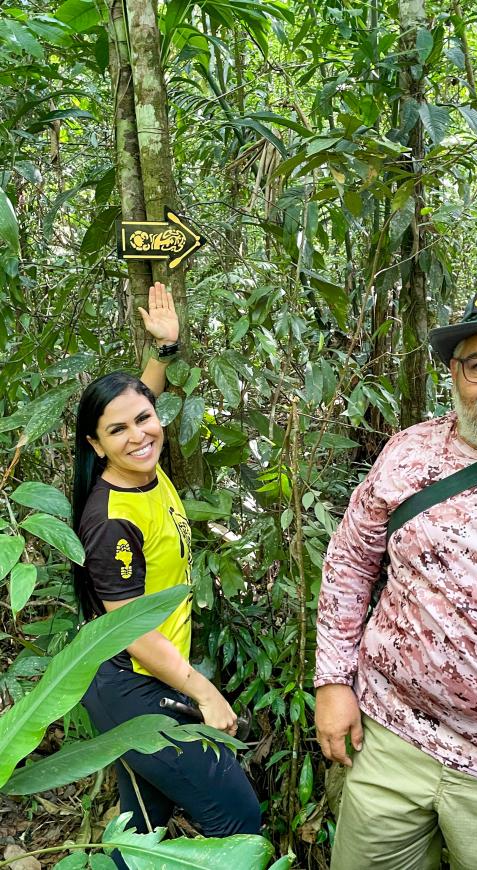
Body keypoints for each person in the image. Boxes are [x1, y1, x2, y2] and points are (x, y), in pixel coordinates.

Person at [314, 285, 477, 870]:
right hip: (389, 737)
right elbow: (351, 562)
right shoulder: (408, 452)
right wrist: (332, 682)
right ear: (456, 374)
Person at [72, 282, 260, 867]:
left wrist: (165, 349)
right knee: (238, 819)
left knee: (142, 829)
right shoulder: (112, 520)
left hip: (141, 679)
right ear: (96, 445)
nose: (139, 435)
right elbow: (131, 628)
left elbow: (138, 398)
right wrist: (204, 691)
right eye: (118, 431)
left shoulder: (141, 461)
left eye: (145, 420)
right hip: (131, 685)